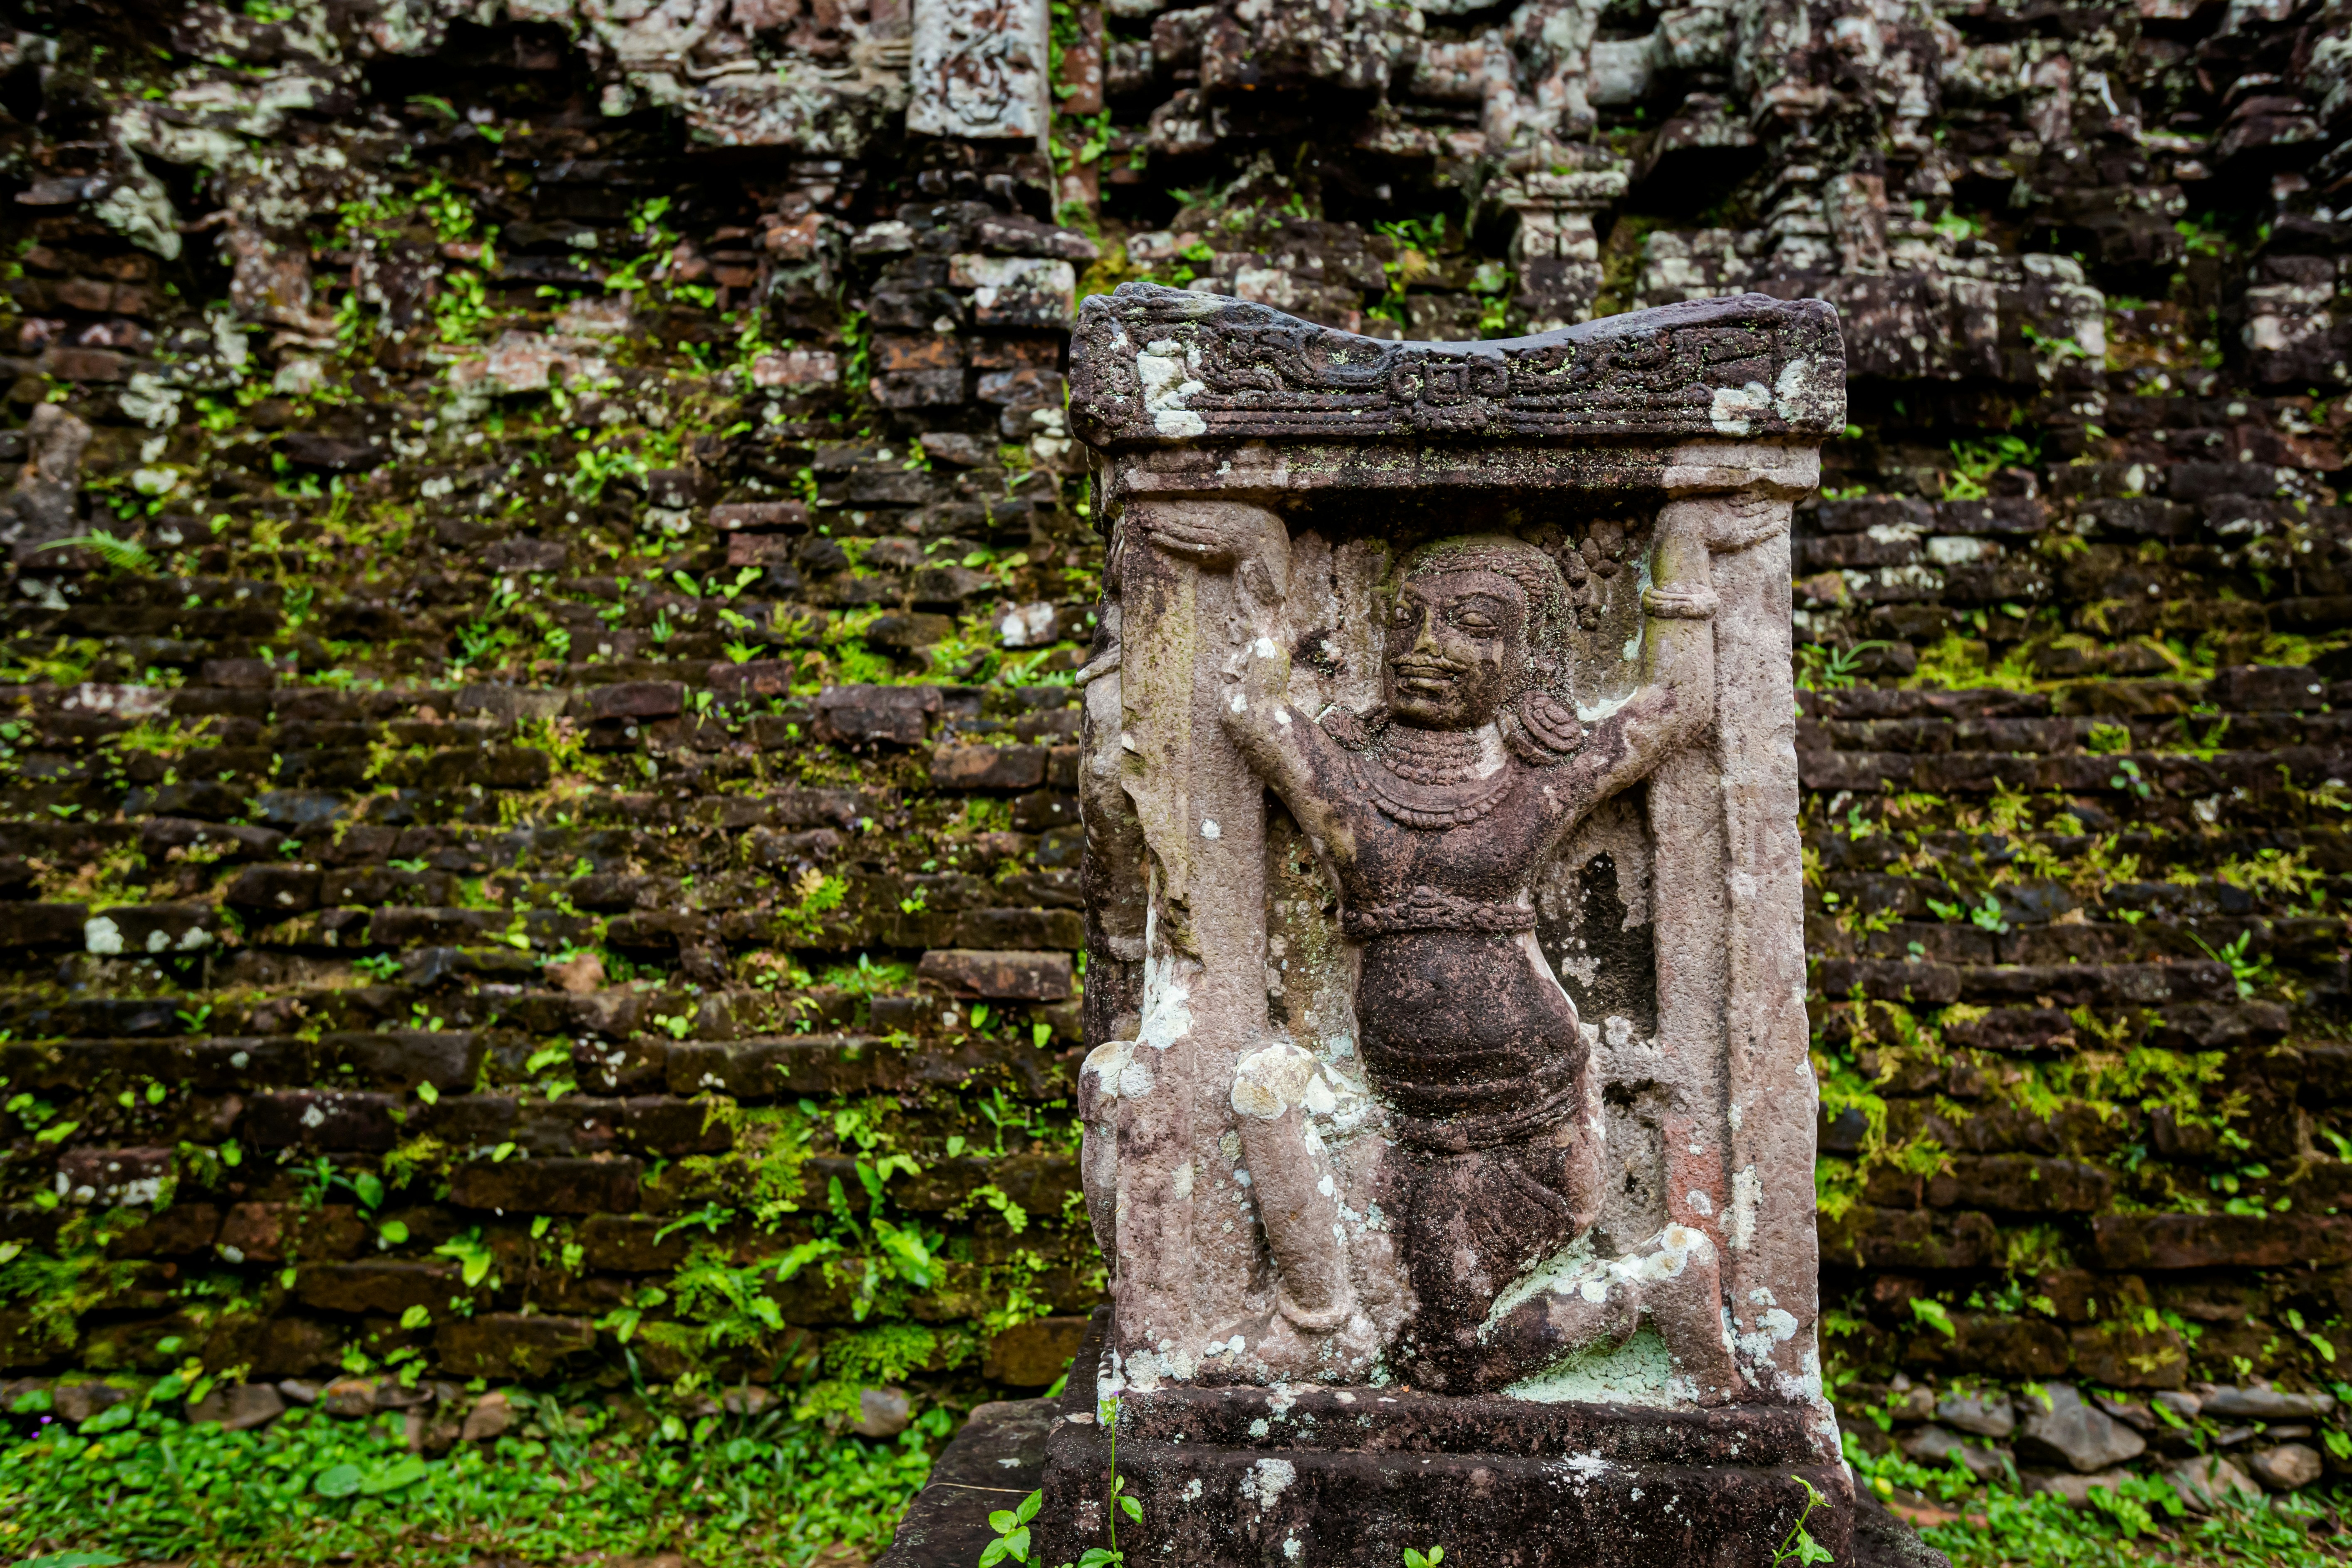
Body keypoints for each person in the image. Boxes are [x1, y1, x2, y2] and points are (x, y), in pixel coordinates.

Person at [1143, 509, 1737, 1395]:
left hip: (1523, 1106)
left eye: (1471, 628)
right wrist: (1257, 564)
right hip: (1404, 1115)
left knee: (1446, 1360)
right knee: (1416, 1322)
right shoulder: (1342, 776)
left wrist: (1688, 532)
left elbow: (1676, 709)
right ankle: (1321, 1321)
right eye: (1407, 621)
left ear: (1526, 659)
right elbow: (1250, 713)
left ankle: (1653, 1293)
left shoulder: (1534, 779)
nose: (1426, 646)